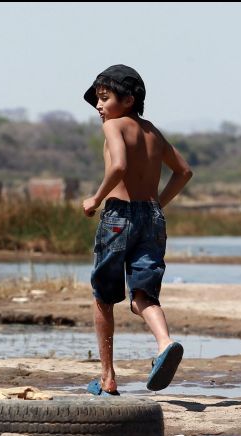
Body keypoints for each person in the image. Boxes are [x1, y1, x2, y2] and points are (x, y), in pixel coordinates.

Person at [81, 64, 193, 396]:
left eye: (104, 98)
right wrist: (157, 204)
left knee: (104, 298)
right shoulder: (153, 132)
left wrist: (96, 198)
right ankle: (165, 342)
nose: (99, 106)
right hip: (152, 218)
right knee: (143, 295)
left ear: (128, 100)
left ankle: (108, 377)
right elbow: (184, 172)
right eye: (97, 100)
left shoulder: (113, 126)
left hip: (118, 217)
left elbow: (119, 165)